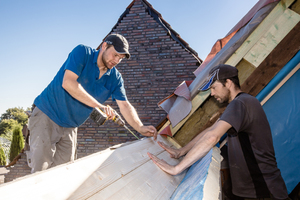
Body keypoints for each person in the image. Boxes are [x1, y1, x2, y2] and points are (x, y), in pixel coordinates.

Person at [148, 64, 289, 199]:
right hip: (257, 188)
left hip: (262, 190)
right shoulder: (243, 103)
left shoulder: (240, 103)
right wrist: (181, 151)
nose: (212, 93)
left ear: (228, 83)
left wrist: (176, 169)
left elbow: (212, 137)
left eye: (214, 87)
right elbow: (211, 130)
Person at [27, 33, 157, 173]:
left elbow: (124, 105)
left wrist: (140, 127)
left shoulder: (115, 78)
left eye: (121, 58)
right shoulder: (82, 52)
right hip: (47, 115)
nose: (117, 60)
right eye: (115, 55)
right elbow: (68, 83)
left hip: (71, 126)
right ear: (104, 46)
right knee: (39, 172)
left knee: (63, 173)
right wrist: (99, 106)